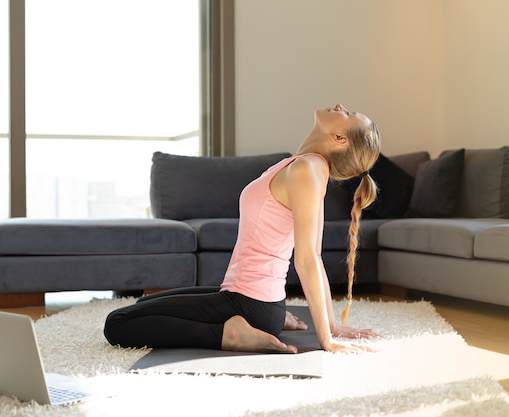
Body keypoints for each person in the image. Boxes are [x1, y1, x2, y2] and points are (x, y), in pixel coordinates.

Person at [104, 103, 381, 354]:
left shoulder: (307, 170)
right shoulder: (306, 166)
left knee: (118, 324)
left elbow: (309, 259)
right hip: (249, 298)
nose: (341, 107)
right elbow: (315, 257)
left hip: (249, 304)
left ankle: (230, 334)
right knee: (141, 308)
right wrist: (332, 324)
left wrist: (327, 339)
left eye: (349, 114)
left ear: (340, 139)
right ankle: (262, 320)